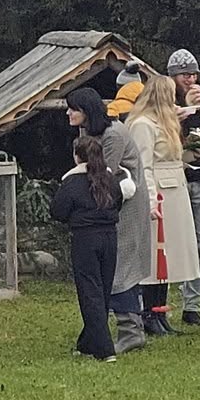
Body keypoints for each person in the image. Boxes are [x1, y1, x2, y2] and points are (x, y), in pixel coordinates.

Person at [67, 86, 150, 354]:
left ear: (86, 111)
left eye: (74, 109)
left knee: (120, 268)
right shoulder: (89, 134)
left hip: (124, 206)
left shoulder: (113, 135)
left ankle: (131, 330)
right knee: (108, 270)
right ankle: (97, 331)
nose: (68, 113)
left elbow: (103, 175)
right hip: (105, 207)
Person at [127, 74, 199, 337]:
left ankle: (160, 312)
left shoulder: (164, 123)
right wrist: (148, 200)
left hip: (174, 191)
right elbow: (142, 165)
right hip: (159, 193)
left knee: (169, 257)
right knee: (156, 255)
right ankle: (149, 314)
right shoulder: (143, 124)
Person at [51, 133, 132, 361]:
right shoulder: (110, 179)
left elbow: (58, 211)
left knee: (89, 292)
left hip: (85, 238)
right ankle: (87, 342)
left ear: (77, 156)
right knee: (103, 291)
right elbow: (118, 201)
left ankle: (104, 349)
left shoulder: (72, 182)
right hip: (110, 237)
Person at [167, 49, 200, 328]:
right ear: (173, 76)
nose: (191, 78)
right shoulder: (165, 99)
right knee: (171, 242)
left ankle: (193, 304)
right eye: (185, 74)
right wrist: (183, 113)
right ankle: (161, 304)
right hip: (176, 178)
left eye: (194, 73)